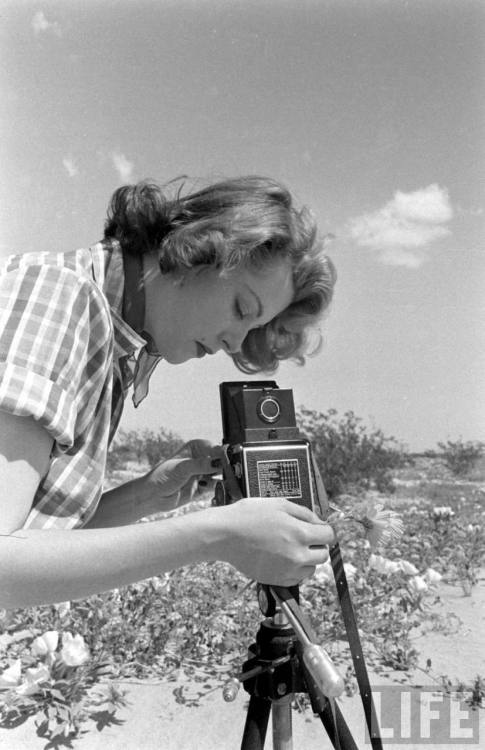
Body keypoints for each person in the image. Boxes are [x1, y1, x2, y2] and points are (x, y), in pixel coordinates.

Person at [0, 175, 337, 611]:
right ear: (195, 249)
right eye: (241, 309)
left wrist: (143, 496)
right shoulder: (60, 295)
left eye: (252, 329)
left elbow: (35, 540)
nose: (234, 343)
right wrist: (215, 533)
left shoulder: (110, 333)